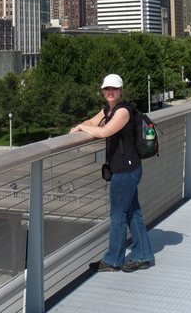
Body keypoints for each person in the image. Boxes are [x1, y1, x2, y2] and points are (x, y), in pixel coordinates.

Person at [70, 73, 154, 272]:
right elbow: (94, 122)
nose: (110, 92)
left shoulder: (123, 111)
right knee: (133, 213)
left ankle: (113, 260)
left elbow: (105, 131)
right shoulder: (109, 110)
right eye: (106, 89)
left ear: (121, 91)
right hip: (127, 169)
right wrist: (81, 126)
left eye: (114, 89)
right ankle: (142, 255)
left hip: (126, 171)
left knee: (118, 215)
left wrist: (82, 126)